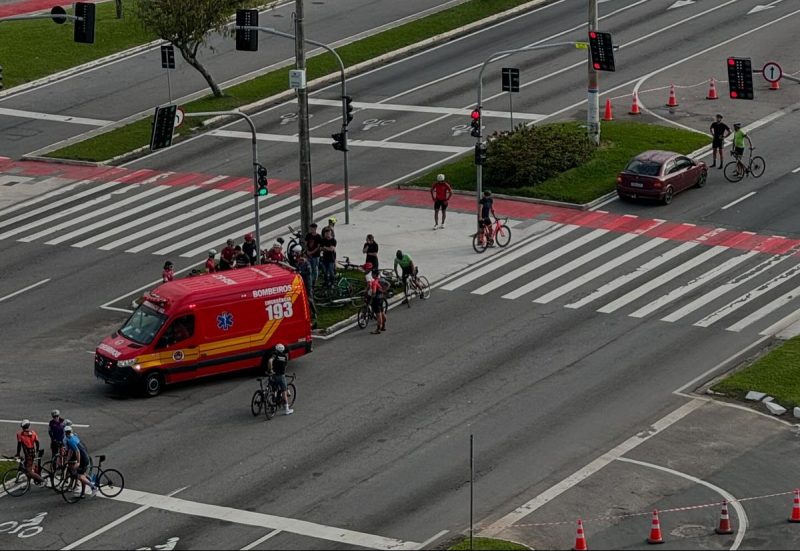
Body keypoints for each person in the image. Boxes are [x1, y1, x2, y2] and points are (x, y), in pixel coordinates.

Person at [63, 425, 96, 497]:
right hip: (85, 456)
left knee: (79, 476)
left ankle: (93, 487)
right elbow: (71, 450)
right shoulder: (74, 437)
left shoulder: (69, 440)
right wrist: (67, 460)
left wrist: (78, 462)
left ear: (65, 433)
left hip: (83, 459)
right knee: (82, 475)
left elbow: (77, 451)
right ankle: (83, 493)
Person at [15, 420, 46, 486]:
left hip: (28, 455)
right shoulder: (33, 433)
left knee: (29, 471)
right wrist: (37, 450)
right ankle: (28, 485)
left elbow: (19, 445)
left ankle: (42, 480)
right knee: (27, 468)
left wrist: (17, 454)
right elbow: (37, 442)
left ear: (22, 427)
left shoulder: (20, 434)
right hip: (32, 452)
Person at [267, 344, 293, 415]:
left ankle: (272, 399)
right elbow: (285, 367)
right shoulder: (285, 357)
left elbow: (270, 361)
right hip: (281, 376)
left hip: (273, 375)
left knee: (273, 388)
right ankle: (287, 409)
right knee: (284, 391)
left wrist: (270, 369)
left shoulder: (275, 355)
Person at [368, 268, 387, 333]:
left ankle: (378, 329)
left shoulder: (374, 282)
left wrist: (371, 299)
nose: (372, 275)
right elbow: (387, 285)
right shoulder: (380, 280)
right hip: (381, 297)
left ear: (374, 275)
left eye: (372, 274)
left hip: (376, 299)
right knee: (382, 312)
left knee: (378, 314)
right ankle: (383, 326)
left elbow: (374, 292)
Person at [305, 223, 322, 288]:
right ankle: (310, 280)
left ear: (315, 229)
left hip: (316, 255)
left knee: (315, 268)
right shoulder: (308, 235)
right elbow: (306, 244)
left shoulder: (318, 236)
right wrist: (307, 251)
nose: (310, 230)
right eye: (310, 228)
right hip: (308, 254)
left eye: (311, 228)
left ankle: (314, 281)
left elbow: (318, 247)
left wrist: (311, 252)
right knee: (309, 268)